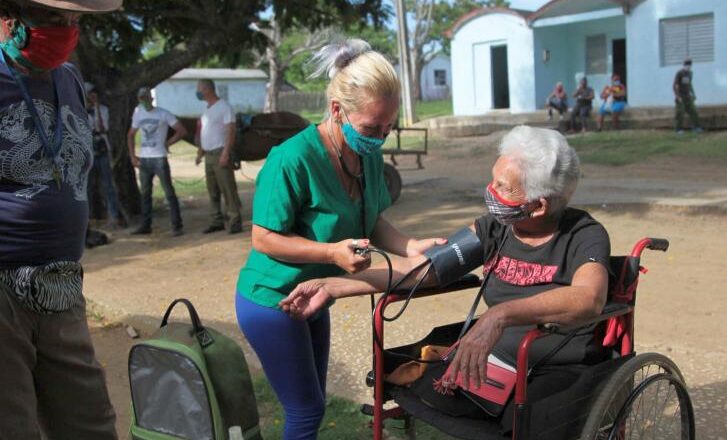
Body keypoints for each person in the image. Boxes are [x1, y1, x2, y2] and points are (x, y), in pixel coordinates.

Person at [281, 125, 610, 432]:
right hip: (497, 358)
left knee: (527, 420)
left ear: (537, 206)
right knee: (426, 386)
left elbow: (588, 298)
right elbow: (427, 269)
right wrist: (338, 285)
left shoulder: (584, 235)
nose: (490, 191)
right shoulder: (495, 228)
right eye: (492, 180)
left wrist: (501, 314)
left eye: (502, 187)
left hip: (557, 363)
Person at [235, 39, 446, 439]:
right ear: (337, 110)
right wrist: (331, 252)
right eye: (372, 127)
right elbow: (263, 238)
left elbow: (373, 219)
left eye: (388, 126)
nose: (380, 137)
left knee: (312, 407)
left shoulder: (365, 152)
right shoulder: (291, 158)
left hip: (315, 295)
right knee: (305, 410)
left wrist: (409, 246)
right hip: (271, 299)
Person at [0, 0, 121, 438]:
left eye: (74, 21)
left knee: (90, 422)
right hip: (2, 285)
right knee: (11, 424)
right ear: (10, 17)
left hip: (61, 281)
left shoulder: (68, 78)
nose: (67, 30)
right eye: (53, 18)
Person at [127, 87, 187, 236]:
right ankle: (146, 225)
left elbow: (181, 130)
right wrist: (133, 156)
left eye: (147, 98)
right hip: (145, 158)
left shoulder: (163, 113)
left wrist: (168, 142)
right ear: (139, 99)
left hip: (159, 157)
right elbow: (131, 135)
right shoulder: (138, 113)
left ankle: (177, 225)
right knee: (146, 193)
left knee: (169, 192)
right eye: (142, 98)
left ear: (151, 99)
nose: (144, 101)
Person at [195, 79, 243, 234]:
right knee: (213, 190)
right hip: (208, 155)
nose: (198, 92)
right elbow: (205, 131)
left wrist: (226, 153)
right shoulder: (207, 109)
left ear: (208, 89)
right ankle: (216, 220)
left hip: (219, 153)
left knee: (228, 188)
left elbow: (230, 130)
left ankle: (235, 219)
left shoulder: (224, 107)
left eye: (199, 89)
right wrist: (200, 152)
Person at [86, 81, 126, 228]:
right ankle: (88, 218)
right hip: (88, 152)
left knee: (108, 185)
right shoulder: (78, 111)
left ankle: (114, 216)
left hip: (102, 150)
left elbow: (103, 129)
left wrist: (96, 108)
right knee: (87, 187)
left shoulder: (103, 110)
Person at [673, 58, 703, 134]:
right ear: (684, 65)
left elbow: (689, 84)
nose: (688, 67)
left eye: (689, 65)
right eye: (686, 65)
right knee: (680, 113)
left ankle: (696, 127)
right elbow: (675, 85)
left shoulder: (690, 73)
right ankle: (678, 129)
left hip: (688, 96)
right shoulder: (679, 73)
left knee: (693, 111)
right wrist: (677, 96)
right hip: (680, 96)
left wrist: (693, 94)